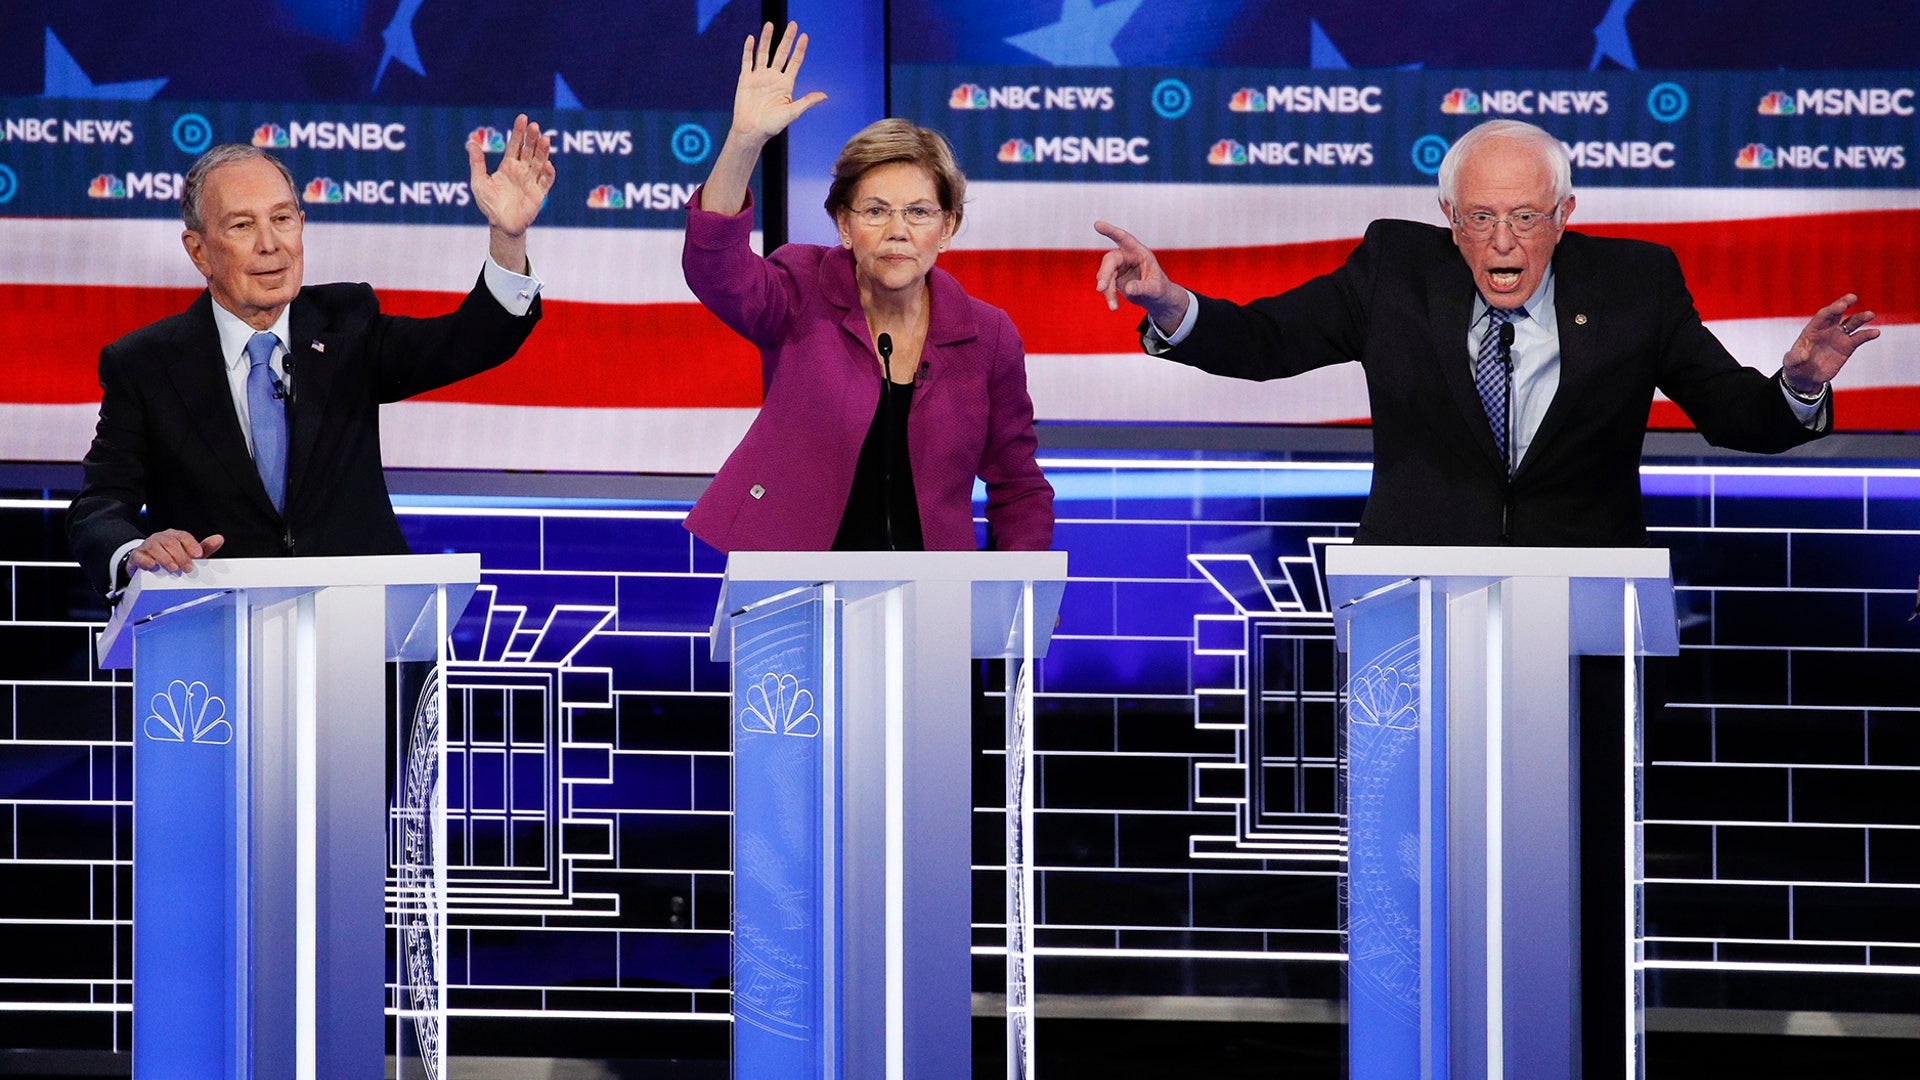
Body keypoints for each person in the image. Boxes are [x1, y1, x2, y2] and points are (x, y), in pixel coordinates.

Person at [1094, 118, 1879, 547]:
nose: (1504, 241)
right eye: (1480, 218)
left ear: (1565, 216)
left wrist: (1803, 381)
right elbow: (1266, 342)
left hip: (1584, 601)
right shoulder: (1394, 272)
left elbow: (1730, 413)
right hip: (1418, 597)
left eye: (1526, 217)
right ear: (1449, 219)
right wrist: (1169, 304)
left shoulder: (1635, 284)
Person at [66, 115, 555, 594]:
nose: (270, 245)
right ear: (199, 251)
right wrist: (135, 551)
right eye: (241, 225)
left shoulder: (347, 323)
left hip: (364, 628)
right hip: (218, 633)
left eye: (282, 219)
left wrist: (507, 239)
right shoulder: (144, 365)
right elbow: (101, 505)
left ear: (301, 225)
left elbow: (473, 340)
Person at [682, 21, 1052, 553]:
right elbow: (713, 268)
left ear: (947, 228)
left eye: (919, 212)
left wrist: (1019, 597)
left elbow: (1017, 485)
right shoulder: (800, 288)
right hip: (792, 581)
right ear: (843, 225)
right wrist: (744, 142)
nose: (898, 230)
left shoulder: (987, 336)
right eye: (875, 210)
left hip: (931, 595)